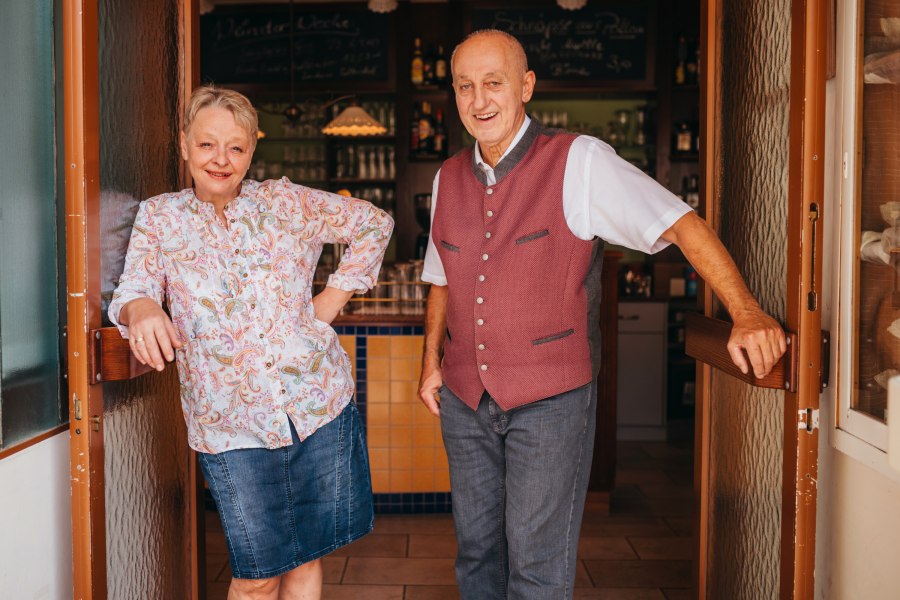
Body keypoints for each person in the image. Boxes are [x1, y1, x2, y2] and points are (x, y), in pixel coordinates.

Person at [417, 30, 786, 599]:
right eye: (465, 86)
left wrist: (748, 311)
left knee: (536, 567)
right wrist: (430, 362)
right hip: (466, 402)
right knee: (478, 556)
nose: (479, 98)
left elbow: (681, 223)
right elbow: (442, 276)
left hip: (551, 402)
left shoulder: (577, 161)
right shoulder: (447, 177)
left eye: (494, 82)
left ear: (526, 87)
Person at [109, 86, 393, 600]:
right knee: (256, 577)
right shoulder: (160, 217)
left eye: (236, 148)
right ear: (184, 144)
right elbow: (134, 289)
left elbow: (373, 223)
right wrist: (142, 308)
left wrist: (330, 298)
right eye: (207, 145)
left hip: (315, 405)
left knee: (305, 558)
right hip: (229, 425)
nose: (221, 160)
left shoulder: (285, 201)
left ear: (252, 151)